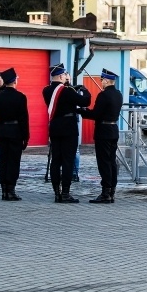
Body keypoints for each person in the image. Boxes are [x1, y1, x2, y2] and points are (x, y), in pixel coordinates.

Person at [42, 64, 91, 203]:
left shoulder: (46, 90)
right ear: (62, 76)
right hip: (68, 128)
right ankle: (65, 193)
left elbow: (61, 95)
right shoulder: (67, 91)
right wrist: (84, 90)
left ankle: (56, 193)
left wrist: (70, 88)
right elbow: (85, 101)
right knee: (67, 160)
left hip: (55, 127)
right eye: (65, 75)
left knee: (55, 160)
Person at [79, 68, 123, 204]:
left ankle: (105, 193)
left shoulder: (103, 95)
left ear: (107, 80)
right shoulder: (118, 95)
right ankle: (112, 191)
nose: (101, 82)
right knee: (111, 162)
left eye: (102, 80)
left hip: (103, 131)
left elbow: (96, 114)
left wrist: (82, 111)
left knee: (104, 162)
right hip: (113, 129)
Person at [0, 68, 29, 201]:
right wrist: (26, 137)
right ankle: (11, 190)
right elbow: (24, 119)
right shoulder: (20, 97)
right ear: (14, 81)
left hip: (2, 132)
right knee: (13, 162)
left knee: (3, 161)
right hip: (15, 132)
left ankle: (4, 191)